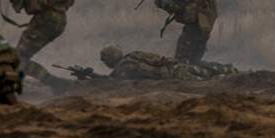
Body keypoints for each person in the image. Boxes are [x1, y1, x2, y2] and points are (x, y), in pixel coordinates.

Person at [154, 0, 218, 64]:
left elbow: (175, 7)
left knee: (180, 62)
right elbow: (193, 0)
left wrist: (160, 2)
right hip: (203, 28)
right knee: (194, 62)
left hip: (192, 30)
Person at [98, 45, 235, 80]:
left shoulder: (122, 68)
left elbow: (111, 80)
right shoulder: (134, 54)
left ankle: (228, 76)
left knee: (208, 81)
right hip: (176, 67)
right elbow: (158, 58)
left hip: (175, 76)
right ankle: (231, 70)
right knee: (208, 69)